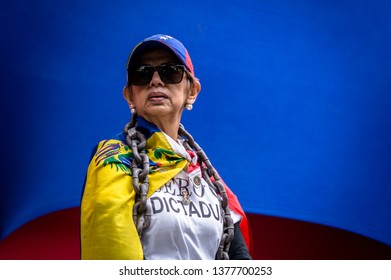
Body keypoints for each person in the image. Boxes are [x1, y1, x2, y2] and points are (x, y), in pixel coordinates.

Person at [80, 34, 252, 260]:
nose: (155, 81)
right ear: (129, 94)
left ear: (192, 91)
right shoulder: (114, 158)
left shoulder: (209, 179)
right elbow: (108, 240)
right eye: (142, 74)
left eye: (170, 71)